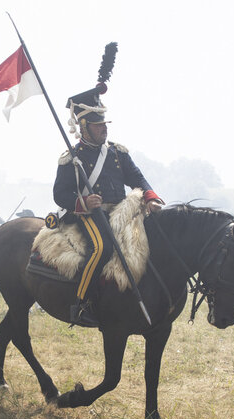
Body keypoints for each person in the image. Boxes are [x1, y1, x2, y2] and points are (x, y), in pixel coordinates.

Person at [53, 85, 163, 326]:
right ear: (84, 127)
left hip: (123, 212)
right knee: (101, 249)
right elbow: (60, 194)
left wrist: (150, 197)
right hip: (90, 215)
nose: (104, 128)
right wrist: (82, 202)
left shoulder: (117, 152)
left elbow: (137, 178)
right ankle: (82, 303)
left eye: (105, 124)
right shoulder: (72, 157)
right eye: (98, 125)